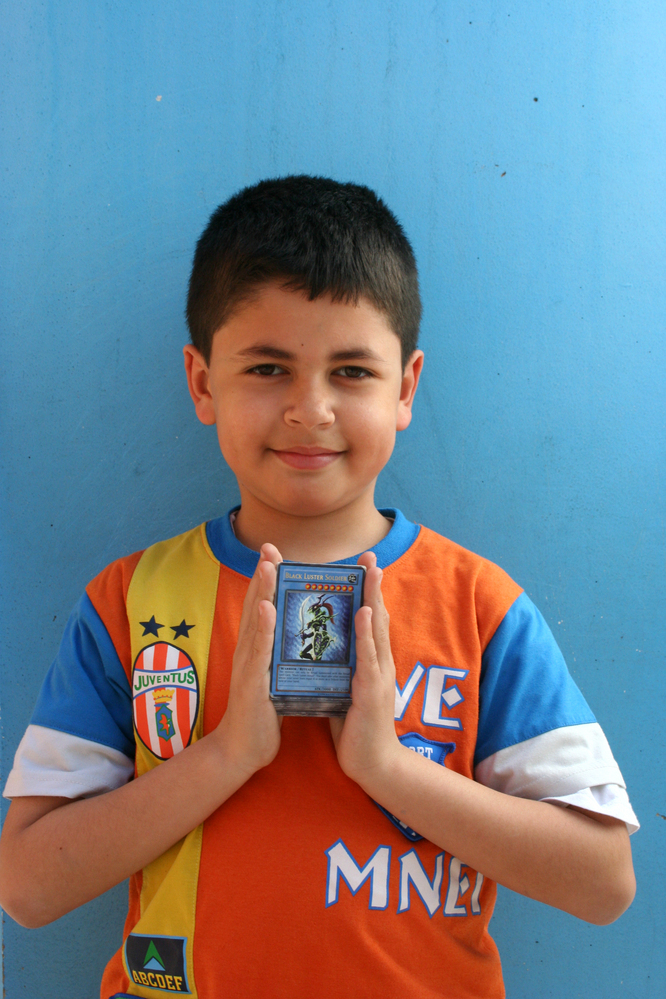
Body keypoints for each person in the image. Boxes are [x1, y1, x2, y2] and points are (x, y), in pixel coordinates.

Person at [0, 176, 638, 999]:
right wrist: (229, 753)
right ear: (202, 382)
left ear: (405, 388)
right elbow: (27, 886)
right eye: (268, 367)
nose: (310, 409)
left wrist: (385, 766)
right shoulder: (129, 601)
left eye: (352, 371)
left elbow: (602, 881)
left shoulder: (479, 606)